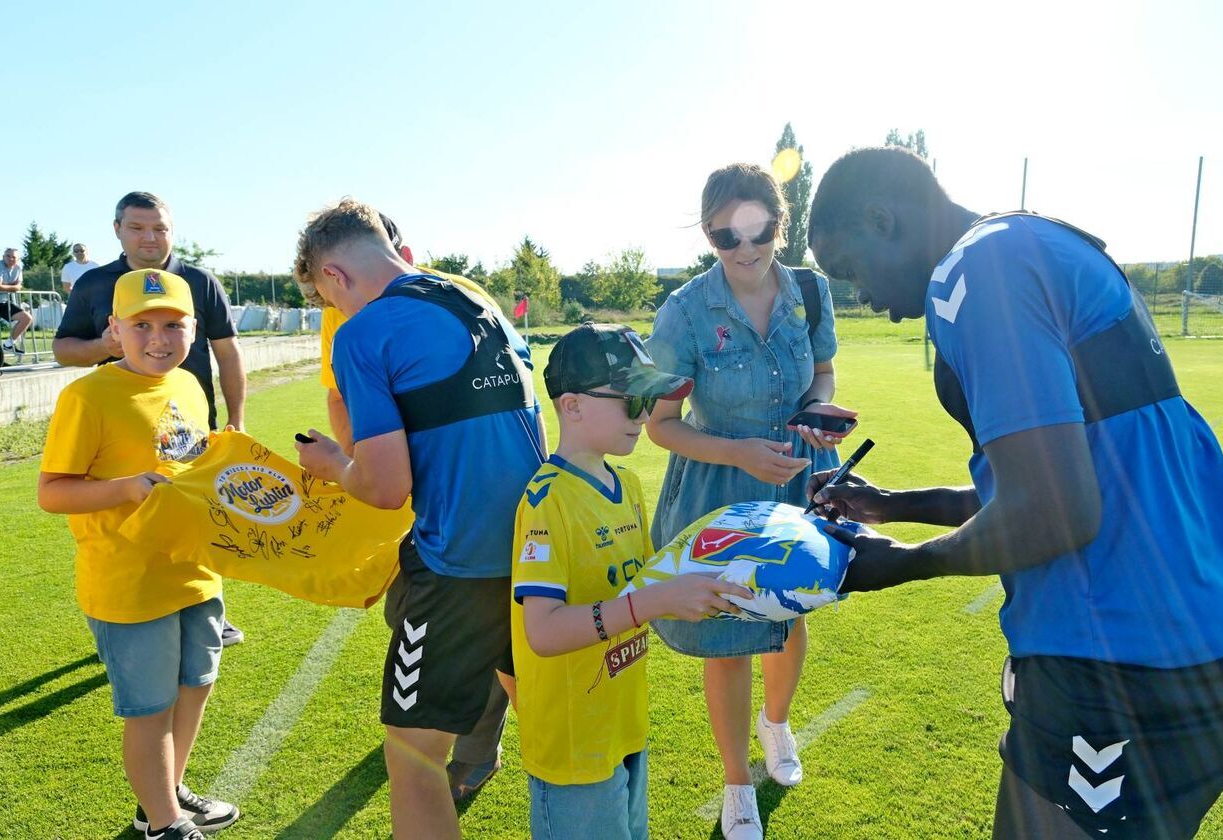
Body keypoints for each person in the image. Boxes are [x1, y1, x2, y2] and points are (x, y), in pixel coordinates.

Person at [806, 145, 1223, 839]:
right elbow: (1064, 479)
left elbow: (1054, 513)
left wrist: (898, 562)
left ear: (881, 218)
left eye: (852, 269)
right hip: (1213, 645)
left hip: (1119, 661)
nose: (863, 296)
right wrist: (897, 504)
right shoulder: (1032, 241)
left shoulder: (976, 270)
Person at [293, 199, 546, 840]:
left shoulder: (364, 332)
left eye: (327, 297)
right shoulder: (472, 299)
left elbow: (383, 487)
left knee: (411, 758)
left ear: (336, 275)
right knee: (557, 732)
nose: (335, 312)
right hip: (541, 550)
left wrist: (332, 464)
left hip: (459, 567)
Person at [644, 162, 856, 840]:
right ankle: (737, 782)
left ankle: (777, 722)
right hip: (719, 486)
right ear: (708, 235)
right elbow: (659, 425)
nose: (744, 249)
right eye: (725, 237)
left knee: (791, 615)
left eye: (758, 230)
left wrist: (816, 410)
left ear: (779, 223)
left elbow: (821, 372)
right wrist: (740, 452)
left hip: (798, 478)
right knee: (727, 642)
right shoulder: (681, 312)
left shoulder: (812, 294)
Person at [513, 323, 751, 840]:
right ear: (571, 406)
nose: (646, 417)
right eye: (633, 400)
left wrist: (733, 564)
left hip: (624, 724)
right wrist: (654, 601)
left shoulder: (629, 485)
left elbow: (651, 580)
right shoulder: (546, 501)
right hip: (574, 745)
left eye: (652, 400)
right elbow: (545, 632)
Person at [37, 269, 240, 840]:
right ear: (114, 330)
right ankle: (166, 826)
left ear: (194, 329)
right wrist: (126, 488)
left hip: (195, 572)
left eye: (173, 324)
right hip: (127, 582)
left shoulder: (191, 388)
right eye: (142, 324)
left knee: (195, 685)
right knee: (149, 708)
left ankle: (163, 795)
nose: (159, 338)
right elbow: (52, 491)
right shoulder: (88, 395)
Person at [53, 191, 247, 647]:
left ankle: (205, 609)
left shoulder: (199, 280)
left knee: (202, 515)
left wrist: (236, 417)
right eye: (138, 228)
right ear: (117, 230)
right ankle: (128, 615)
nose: (149, 237)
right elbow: (64, 349)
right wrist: (106, 346)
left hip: (192, 420)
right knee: (130, 521)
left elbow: (228, 352)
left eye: (159, 228)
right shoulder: (96, 285)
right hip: (124, 429)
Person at [0, 247, 34, 353]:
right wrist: (12, 287)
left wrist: (6, 287)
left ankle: (8, 345)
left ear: (18, 259)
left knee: (26, 318)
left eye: (13, 257)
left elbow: (19, 286)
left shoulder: (18, 268)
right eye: (8, 256)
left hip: (3, 302)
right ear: (3, 257)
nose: (10, 259)